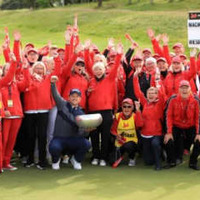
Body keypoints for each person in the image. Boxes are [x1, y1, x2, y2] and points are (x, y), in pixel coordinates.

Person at [87, 43, 123, 166]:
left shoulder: (110, 78)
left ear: (104, 70)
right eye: (96, 69)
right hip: (93, 112)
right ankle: (96, 156)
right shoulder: (90, 81)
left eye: (100, 69)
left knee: (106, 135)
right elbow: (87, 96)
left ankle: (103, 157)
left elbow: (116, 65)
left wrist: (119, 54)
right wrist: (87, 92)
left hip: (106, 111)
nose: (98, 71)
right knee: (94, 135)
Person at [49, 75, 91, 170]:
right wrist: (52, 84)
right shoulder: (62, 104)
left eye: (77, 97)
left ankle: (76, 160)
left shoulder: (81, 113)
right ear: (69, 97)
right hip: (60, 138)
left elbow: (82, 132)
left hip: (73, 139)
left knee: (86, 144)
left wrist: (87, 131)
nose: (74, 98)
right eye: (72, 96)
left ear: (80, 99)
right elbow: (55, 95)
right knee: (54, 147)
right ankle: (56, 161)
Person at [133, 69, 166, 170]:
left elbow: (162, 94)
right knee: (148, 162)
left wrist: (157, 81)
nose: (151, 95)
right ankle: (160, 154)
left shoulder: (160, 103)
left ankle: (158, 164)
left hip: (157, 134)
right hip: (145, 134)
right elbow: (138, 92)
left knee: (155, 144)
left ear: (156, 95)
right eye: (149, 93)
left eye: (153, 93)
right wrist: (135, 78)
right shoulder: (145, 103)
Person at [164, 80, 200, 170]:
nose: (184, 90)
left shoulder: (195, 100)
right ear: (179, 89)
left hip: (191, 126)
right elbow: (169, 116)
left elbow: (198, 118)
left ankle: (193, 162)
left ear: (190, 89)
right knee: (168, 140)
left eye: (186, 88)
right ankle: (171, 161)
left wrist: (198, 133)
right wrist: (169, 132)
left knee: (199, 141)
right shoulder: (172, 99)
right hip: (177, 126)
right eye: (182, 88)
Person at [110, 98, 143, 167]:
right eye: (124, 106)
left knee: (129, 146)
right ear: (122, 107)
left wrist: (138, 110)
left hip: (132, 142)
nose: (126, 109)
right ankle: (120, 155)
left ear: (132, 107)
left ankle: (132, 158)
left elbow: (140, 125)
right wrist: (116, 135)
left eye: (129, 107)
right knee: (112, 162)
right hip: (120, 143)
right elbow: (113, 130)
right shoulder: (118, 116)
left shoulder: (135, 116)